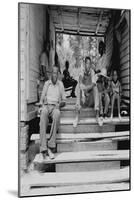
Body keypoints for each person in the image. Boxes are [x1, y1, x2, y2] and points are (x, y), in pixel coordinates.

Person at [38, 66, 66, 160]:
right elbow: (42, 98)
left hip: (55, 107)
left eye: (56, 73)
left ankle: (50, 147)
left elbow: (64, 101)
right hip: (46, 106)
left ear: (58, 74)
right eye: (53, 72)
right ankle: (43, 149)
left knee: (57, 114)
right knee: (43, 114)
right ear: (51, 74)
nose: (54, 74)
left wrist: (60, 104)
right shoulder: (47, 84)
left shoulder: (60, 84)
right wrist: (41, 106)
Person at [73, 56, 99, 127]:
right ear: (84, 64)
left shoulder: (92, 72)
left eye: (89, 63)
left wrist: (86, 89)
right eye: (87, 63)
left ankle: (97, 115)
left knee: (95, 87)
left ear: (90, 65)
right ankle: (77, 117)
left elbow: (93, 84)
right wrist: (83, 93)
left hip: (90, 98)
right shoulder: (82, 71)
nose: (88, 65)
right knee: (78, 86)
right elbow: (80, 81)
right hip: (83, 100)